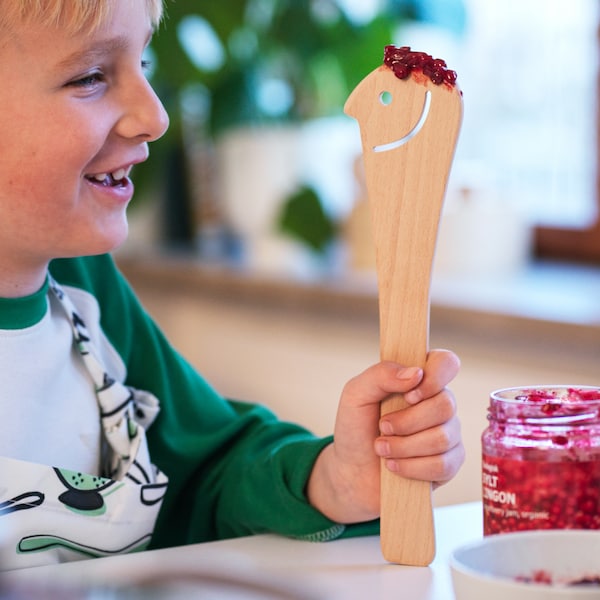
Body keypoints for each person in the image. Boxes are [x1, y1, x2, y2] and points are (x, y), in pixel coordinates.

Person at [0, 0, 465, 570]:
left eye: (143, 64)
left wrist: (334, 480)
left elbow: (204, 472)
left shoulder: (82, 288)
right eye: (91, 77)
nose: (155, 115)